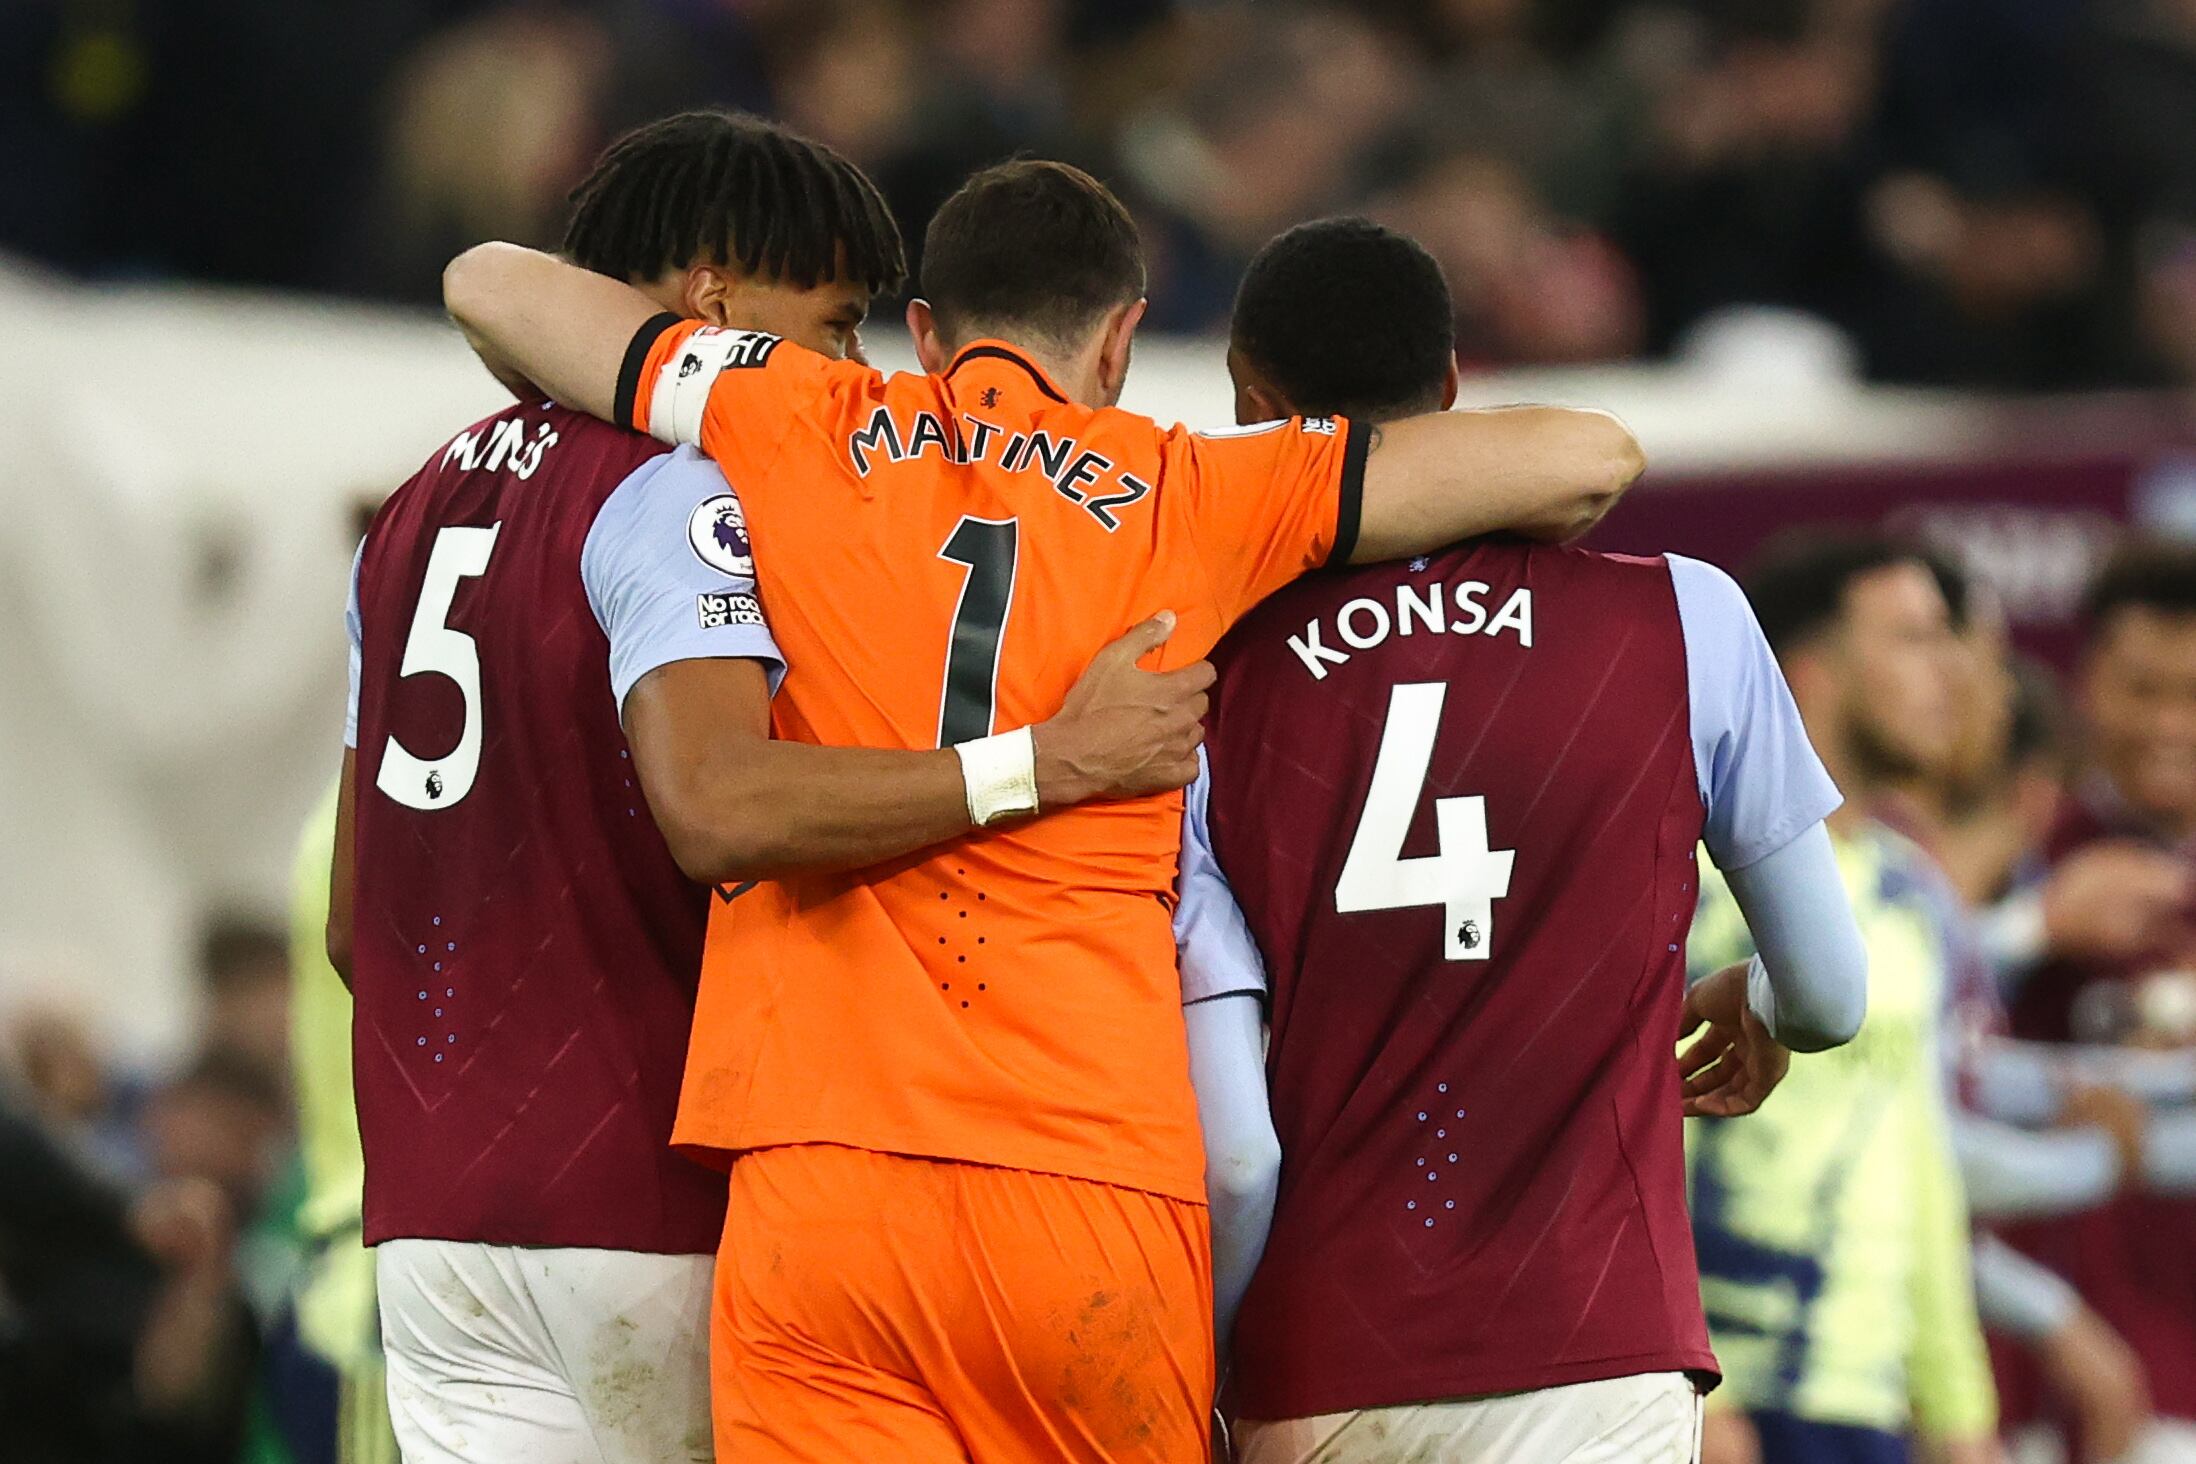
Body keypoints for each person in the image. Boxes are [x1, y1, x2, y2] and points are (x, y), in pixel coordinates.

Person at [442, 159, 1645, 1460]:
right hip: (1085, 1186)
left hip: (820, 1177)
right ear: (1123, 340)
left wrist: (714, 359)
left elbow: (487, 284)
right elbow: (1587, 460)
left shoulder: (790, 414)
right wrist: (1300, 465)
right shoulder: (1201, 491)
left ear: (924, 335)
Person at [337, 115, 1212, 1464]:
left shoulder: (411, 510)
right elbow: (721, 806)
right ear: (715, 304)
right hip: (642, 1203)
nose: (848, 371)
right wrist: (1046, 763)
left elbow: (356, 926)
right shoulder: (683, 486)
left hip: (433, 1218)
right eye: (835, 319)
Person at [1164, 217, 1865, 1464]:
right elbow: (1830, 993)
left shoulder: (1206, 687)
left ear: (1250, 407)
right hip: (1598, 1354)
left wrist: (1212, 1370)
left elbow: (1234, 1154)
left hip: (1321, 1368)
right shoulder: (1684, 615)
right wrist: (1755, 998)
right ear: (1449, 390)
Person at [1684, 534, 2000, 1464]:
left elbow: (1924, 1168)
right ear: (1808, 672)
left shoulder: (1911, 901)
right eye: (1914, 638)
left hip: (1868, 1406)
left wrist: (1959, 1412)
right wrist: (1700, 1388)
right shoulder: (1698, 889)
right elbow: (1640, 1140)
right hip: (1729, 1404)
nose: (1954, 672)